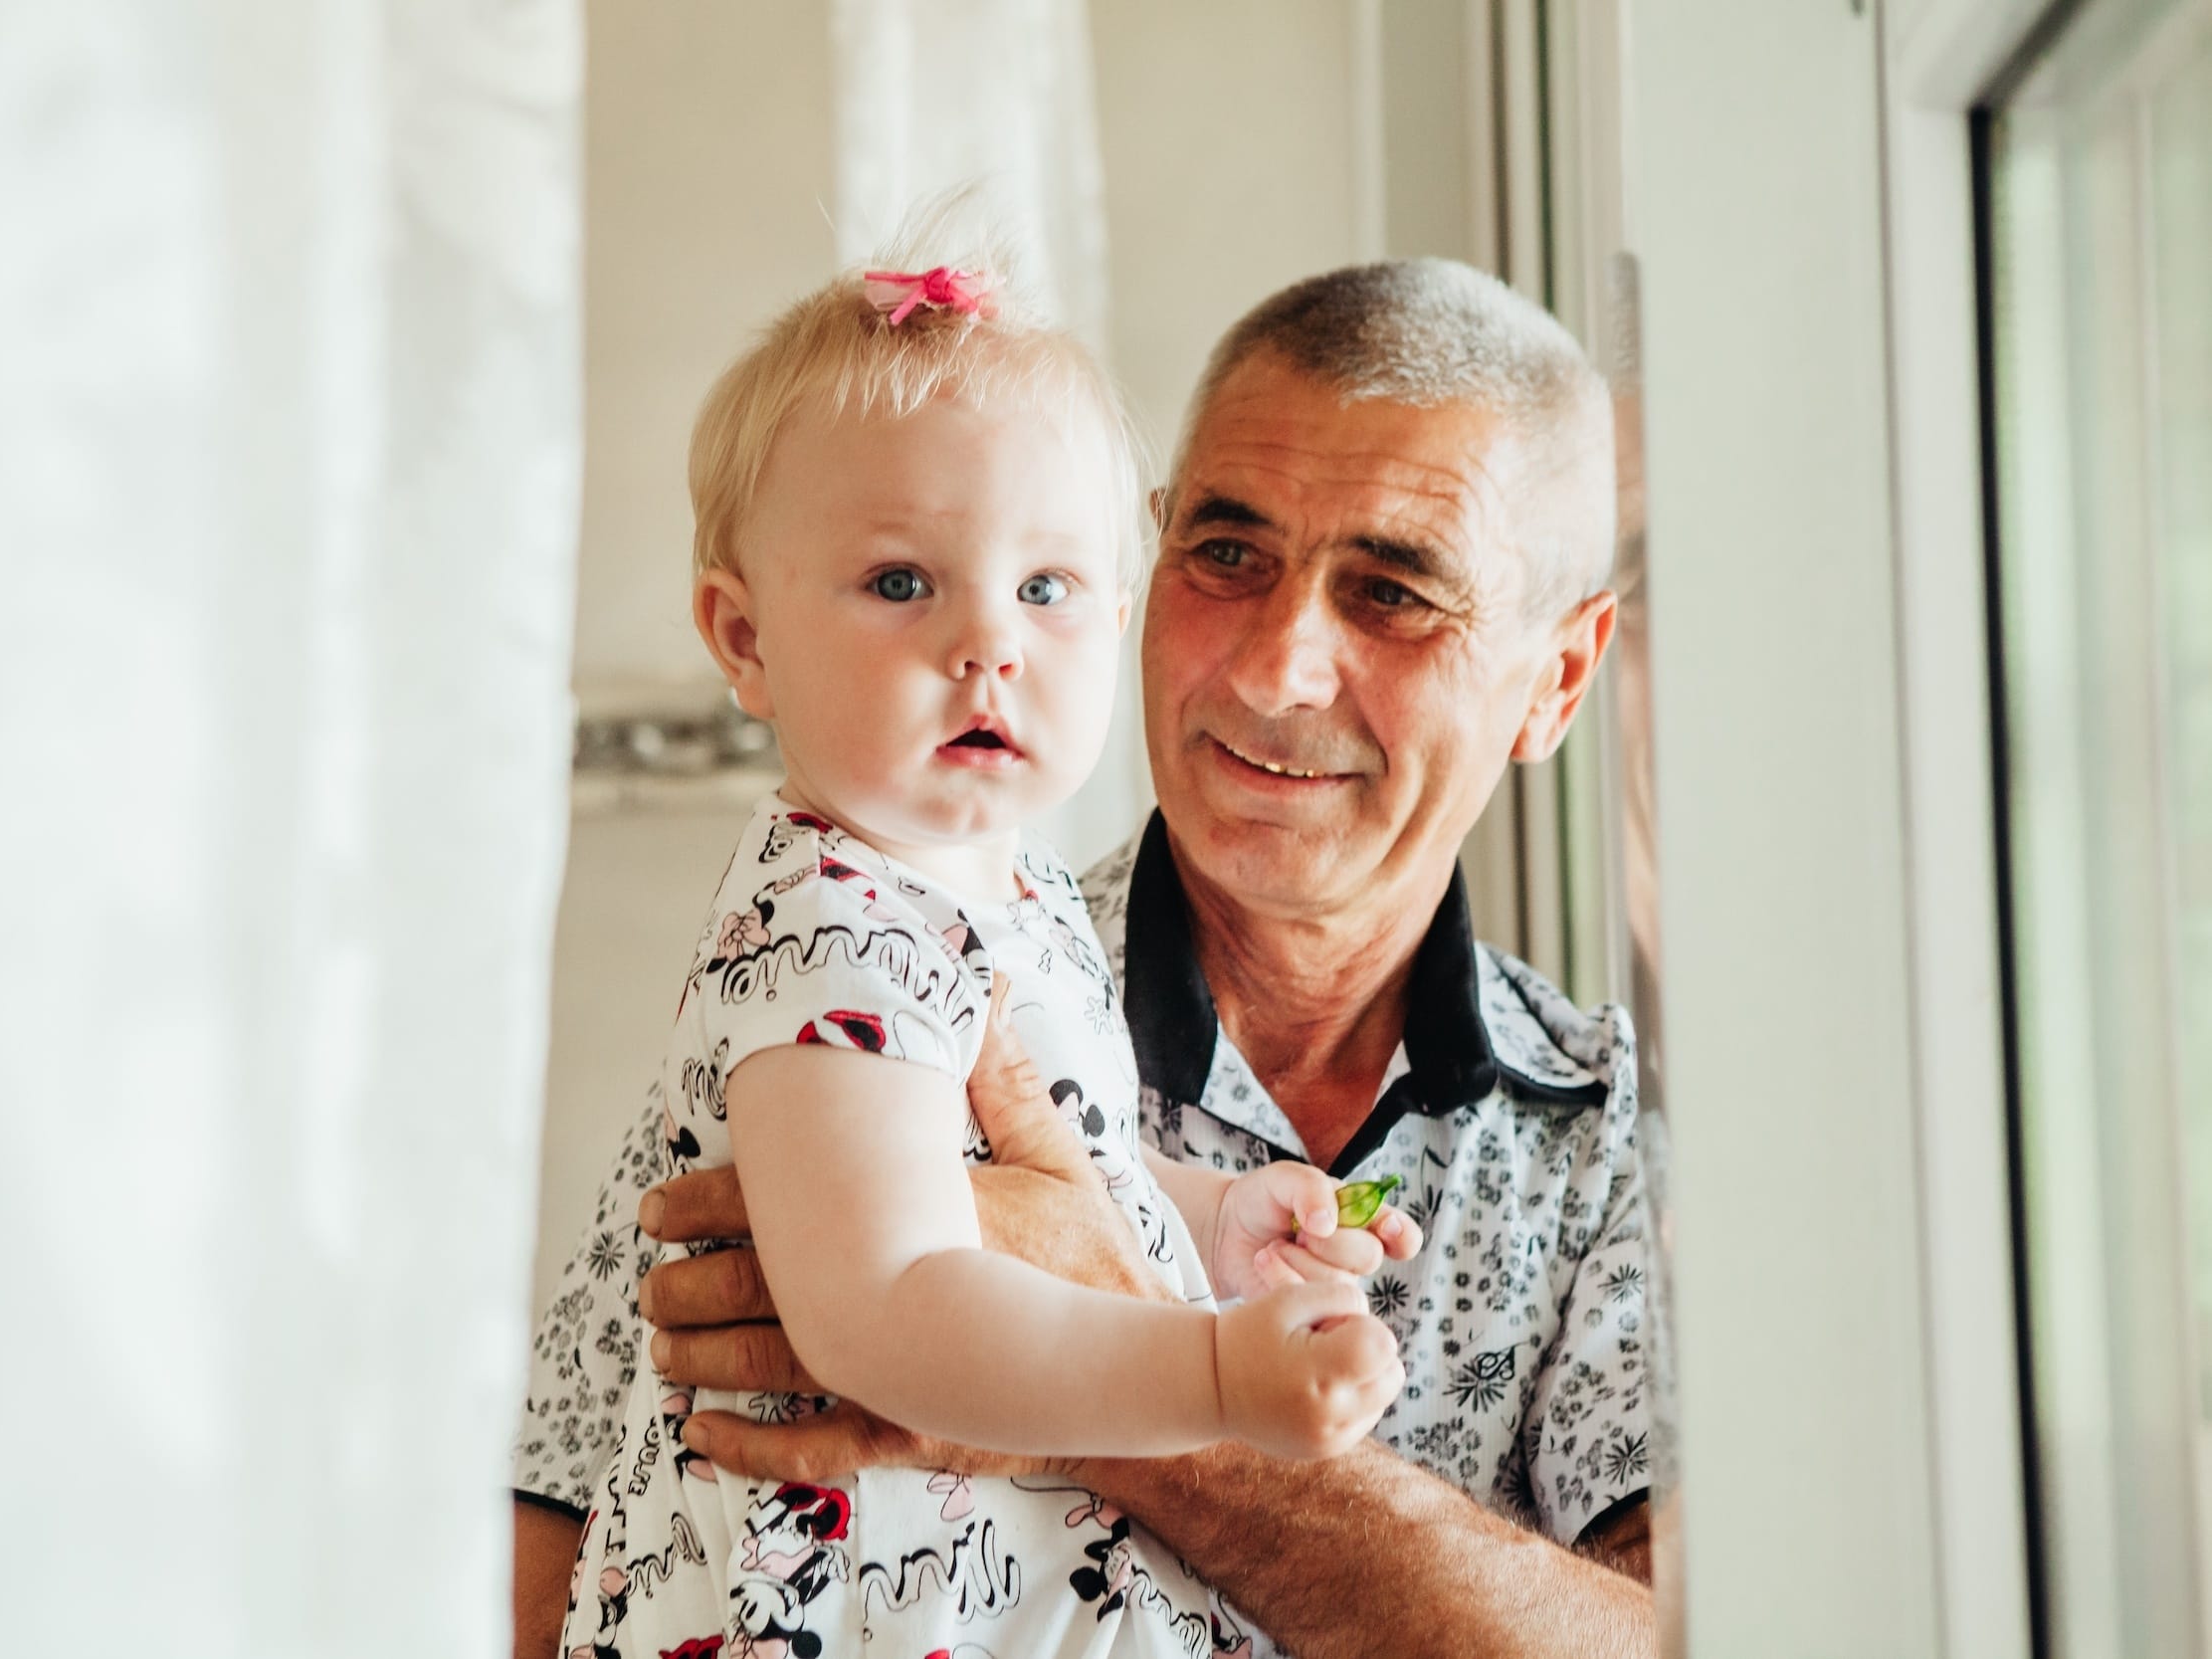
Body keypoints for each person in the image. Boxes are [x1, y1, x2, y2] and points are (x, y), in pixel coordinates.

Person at [516, 258, 1656, 1658]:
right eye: (1227, 556)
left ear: (1558, 678)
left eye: (1392, 592)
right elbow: (542, 1562)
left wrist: (1152, 1324)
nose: (1277, 668)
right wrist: (1183, 1359)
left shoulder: (1617, 1151)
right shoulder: (841, 967)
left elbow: (1681, 1642)